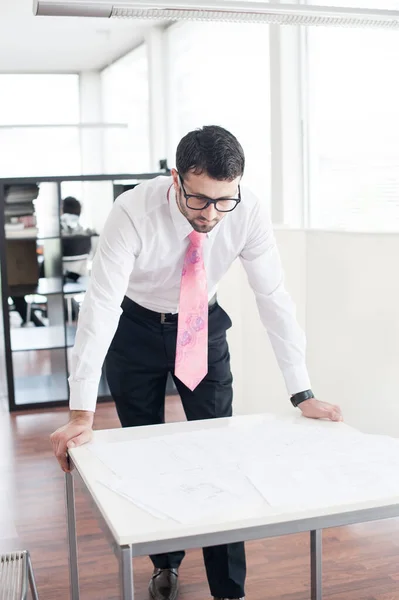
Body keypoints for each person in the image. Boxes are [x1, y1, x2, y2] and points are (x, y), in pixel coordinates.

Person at [50, 125, 343, 600]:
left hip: (201, 328)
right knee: (146, 455)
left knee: (219, 460)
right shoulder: (132, 211)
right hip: (135, 327)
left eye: (224, 200)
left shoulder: (245, 211)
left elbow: (273, 297)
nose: (211, 214)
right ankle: (164, 564)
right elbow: (100, 305)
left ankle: (229, 588)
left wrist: (302, 391)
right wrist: (81, 413)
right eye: (200, 200)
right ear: (175, 179)